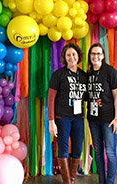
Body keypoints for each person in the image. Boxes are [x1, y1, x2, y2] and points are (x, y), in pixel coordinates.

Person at [47, 43, 88, 184]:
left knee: (77, 148)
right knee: (63, 148)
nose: (72, 57)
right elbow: (51, 98)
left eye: (74, 54)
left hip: (78, 117)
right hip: (62, 117)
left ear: (78, 56)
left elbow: (88, 96)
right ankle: (67, 182)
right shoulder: (58, 74)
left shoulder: (84, 75)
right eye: (68, 54)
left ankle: (71, 179)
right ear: (65, 57)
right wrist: (51, 121)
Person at [87, 43, 117, 184]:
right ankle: (102, 180)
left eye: (98, 53)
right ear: (90, 56)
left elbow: (116, 96)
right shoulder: (88, 73)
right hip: (93, 119)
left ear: (103, 56)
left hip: (108, 119)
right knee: (98, 152)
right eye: (93, 54)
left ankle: (110, 181)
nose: (96, 56)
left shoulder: (110, 71)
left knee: (110, 153)